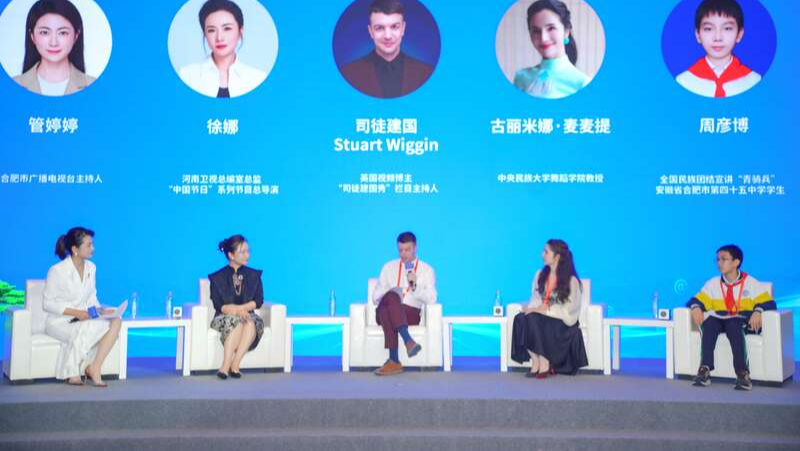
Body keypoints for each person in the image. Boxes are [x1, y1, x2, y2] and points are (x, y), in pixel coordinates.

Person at [687, 244, 775, 390]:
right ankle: (704, 369)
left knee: (733, 325)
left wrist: (758, 311)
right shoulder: (713, 283)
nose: (719, 263)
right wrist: (695, 307)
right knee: (710, 323)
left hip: (740, 320)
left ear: (736, 262)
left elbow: (769, 302)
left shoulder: (750, 282)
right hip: (720, 319)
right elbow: (696, 300)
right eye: (717, 260)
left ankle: (742, 373)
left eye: (724, 259)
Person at [42, 227, 121, 386]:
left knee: (116, 320)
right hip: (59, 321)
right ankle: (71, 372)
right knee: (86, 328)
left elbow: (91, 297)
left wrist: (100, 310)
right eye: (89, 245)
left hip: (83, 318)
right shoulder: (57, 271)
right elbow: (47, 303)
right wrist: (78, 313)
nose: (93, 248)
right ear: (75, 249)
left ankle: (95, 367)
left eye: (93, 244)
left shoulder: (91, 267)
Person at [511, 239, 587, 377]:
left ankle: (544, 361)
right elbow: (535, 299)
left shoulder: (571, 281)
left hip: (561, 324)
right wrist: (531, 308)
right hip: (541, 318)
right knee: (521, 318)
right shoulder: (540, 275)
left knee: (533, 318)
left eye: (546, 252)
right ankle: (536, 361)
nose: (542, 255)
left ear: (557, 256)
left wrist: (544, 310)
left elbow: (570, 311)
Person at [371, 231, 437, 375]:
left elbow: (432, 298)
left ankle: (394, 361)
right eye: (400, 250)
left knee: (387, 312)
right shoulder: (388, 267)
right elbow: (375, 296)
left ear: (415, 248)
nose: (403, 254)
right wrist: (389, 294)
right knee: (391, 298)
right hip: (384, 309)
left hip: (410, 313)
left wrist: (415, 288)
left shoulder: (427, 270)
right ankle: (408, 341)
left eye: (407, 249)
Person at [339, 0, 434, 98]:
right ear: (370, 31)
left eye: (394, 27)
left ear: (403, 29)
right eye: (379, 28)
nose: (388, 36)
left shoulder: (425, 73)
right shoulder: (348, 73)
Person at [178, 0, 266, 98]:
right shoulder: (187, 75)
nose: (219, 37)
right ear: (205, 34)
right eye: (211, 30)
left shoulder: (257, 78)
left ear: (240, 31)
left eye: (227, 28)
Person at [675, 0, 761, 98]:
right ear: (698, 35)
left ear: (739, 34)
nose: (718, 38)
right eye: (708, 29)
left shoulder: (753, 80)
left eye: (727, 28)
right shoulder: (683, 81)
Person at [208, 235, 265, 379]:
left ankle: (235, 364)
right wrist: (237, 311)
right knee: (237, 322)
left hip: (248, 314)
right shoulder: (217, 277)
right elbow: (219, 305)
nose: (247, 255)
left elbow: (258, 301)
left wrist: (242, 310)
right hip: (224, 316)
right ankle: (225, 365)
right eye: (242, 252)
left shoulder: (254, 275)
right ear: (231, 255)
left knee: (249, 322)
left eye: (248, 251)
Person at [14, 0, 95, 96]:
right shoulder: (10, 85)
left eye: (63, 33)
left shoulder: (94, 85)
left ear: (76, 36)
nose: (53, 43)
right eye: (44, 32)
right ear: (32, 36)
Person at [513, 0, 590, 99]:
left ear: (566, 32)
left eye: (551, 28)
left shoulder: (582, 83)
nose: (543, 38)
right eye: (536, 31)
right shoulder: (521, 77)